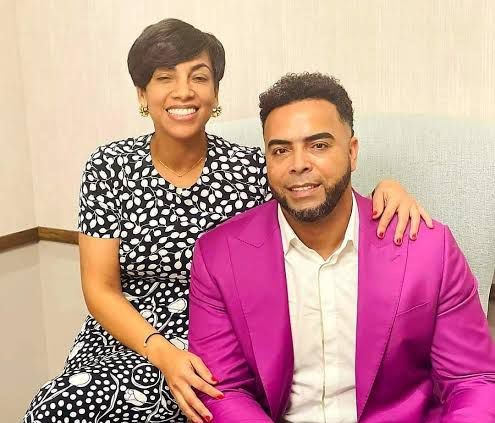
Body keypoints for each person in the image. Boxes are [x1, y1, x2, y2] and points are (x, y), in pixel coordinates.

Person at [23, 20, 431, 423]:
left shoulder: (251, 168)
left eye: (198, 77)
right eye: (165, 77)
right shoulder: (108, 166)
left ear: (215, 92)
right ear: (142, 93)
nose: (183, 91)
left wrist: (386, 188)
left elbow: (318, 195)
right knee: (56, 407)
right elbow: (100, 288)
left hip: (225, 341)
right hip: (131, 338)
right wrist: (162, 352)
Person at [188, 72, 495, 423]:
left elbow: (473, 381)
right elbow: (224, 389)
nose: (298, 164)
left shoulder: (428, 249)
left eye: (318, 145)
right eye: (281, 150)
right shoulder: (219, 257)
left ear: (352, 152)